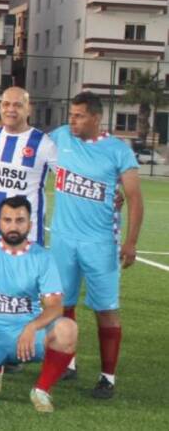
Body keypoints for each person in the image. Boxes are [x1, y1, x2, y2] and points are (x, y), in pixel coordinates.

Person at [47, 91, 143, 398]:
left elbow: (134, 198)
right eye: (71, 115)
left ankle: (107, 377)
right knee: (62, 304)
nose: (72, 121)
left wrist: (130, 242)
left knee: (106, 308)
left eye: (79, 116)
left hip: (100, 242)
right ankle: (68, 362)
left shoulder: (118, 150)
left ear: (96, 118)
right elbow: (26, 136)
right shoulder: (61, 136)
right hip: (63, 238)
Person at [0, 196, 78, 413]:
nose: (13, 226)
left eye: (20, 220)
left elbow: (55, 305)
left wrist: (32, 327)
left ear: (30, 225)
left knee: (67, 328)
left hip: (28, 336)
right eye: (7, 220)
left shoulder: (42, 257)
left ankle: (41, 389)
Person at [0, 86, 57, 244]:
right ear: (0, 107)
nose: (10, 109)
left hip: (27, 238)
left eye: (17, 105)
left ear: (28, 109)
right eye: (6, 104)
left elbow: (67, 178)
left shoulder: (44, 143)